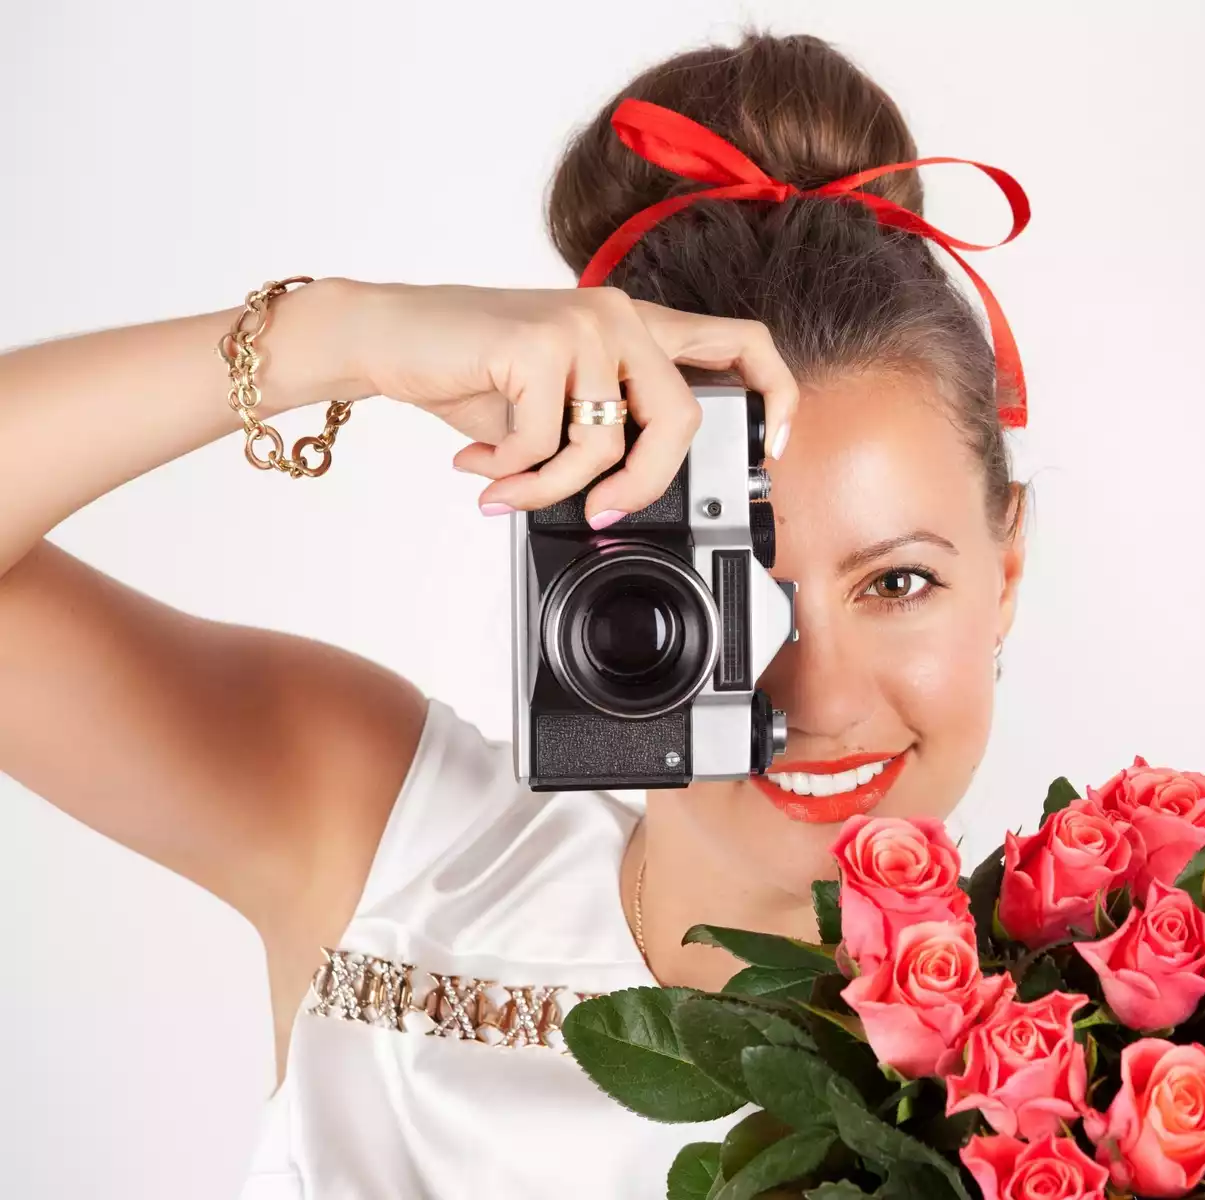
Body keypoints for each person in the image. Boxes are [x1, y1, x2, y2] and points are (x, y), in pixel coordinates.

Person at [0, 29, 1030, 1198]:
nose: (825, 694)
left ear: (1007, 572)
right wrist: (337, 338)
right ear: (608, 566)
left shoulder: (1134, 1074)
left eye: (896, 583)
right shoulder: (389, 859)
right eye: (743, 588)